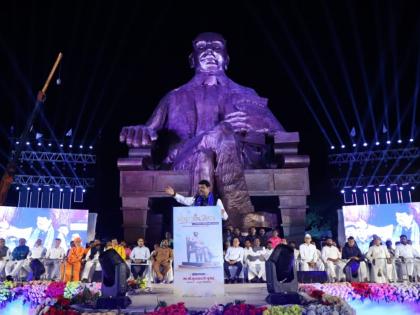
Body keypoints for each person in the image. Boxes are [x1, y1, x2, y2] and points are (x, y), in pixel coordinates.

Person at [120, 33, 286, 231]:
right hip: (183, 160)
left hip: (236, 160)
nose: (209, 51)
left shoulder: (247, 95)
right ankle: (240, 213)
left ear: (227, 59)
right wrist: (140, 131)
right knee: (222, 133)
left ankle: (199, 229)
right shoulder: (173, 97)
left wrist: (258, 122)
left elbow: (281, 134)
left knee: (206, 156)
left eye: (216, 47)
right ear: (192, 59)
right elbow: (150, 128)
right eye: (201, 47)